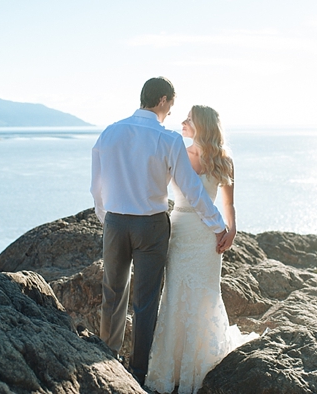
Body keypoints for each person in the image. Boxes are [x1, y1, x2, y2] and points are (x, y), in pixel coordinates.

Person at [90, 78, 229, 386]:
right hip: (151, 225)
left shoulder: (109, 132)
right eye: (172, 105)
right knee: (146, 300)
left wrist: (108, 218)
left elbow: (95, 188)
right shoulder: (167, 140)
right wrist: (219, 226)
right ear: (164, 100)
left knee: (113, 292)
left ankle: (108, 356)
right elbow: (193, 190)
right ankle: (138, 372)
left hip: (115, 222)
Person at [145, 105, 258, 394]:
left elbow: (228, 204)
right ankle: (170, 367)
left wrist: (231, 230)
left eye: (189, 119)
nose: (182, 122)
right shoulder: (177, 151)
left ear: (202, 126)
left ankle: (198, 365)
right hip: (180, 231)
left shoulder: (224, 160)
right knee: (175, 293)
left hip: (207, 238)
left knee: (204, 295)